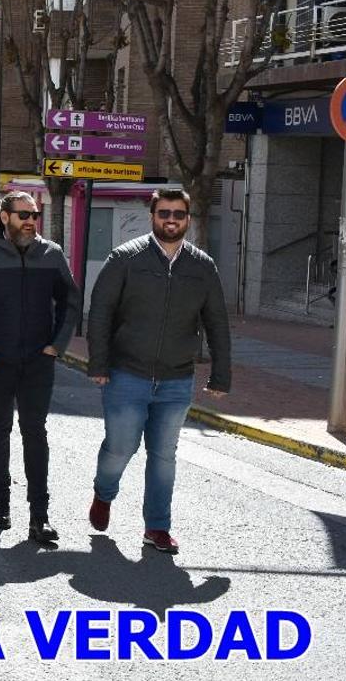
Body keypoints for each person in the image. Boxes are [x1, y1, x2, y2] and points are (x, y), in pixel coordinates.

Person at [86, 189, 232, 555]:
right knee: (120, 448)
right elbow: (100, 311)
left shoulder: (202, 266)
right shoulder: (125, 258)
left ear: (187, 219)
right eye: (164, 212)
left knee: (164, 455)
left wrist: (221, 374)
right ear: (152, 215)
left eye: (178, 214)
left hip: (176, 379)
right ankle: (104, 493)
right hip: (126, 374)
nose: (171, 219)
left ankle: (157, 527)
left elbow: (217, 322)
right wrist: (99, 364)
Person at [0, 191, 81, 544]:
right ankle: (1, 504)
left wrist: (56, 345)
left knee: (35, 432)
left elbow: (70, 301)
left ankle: (40, 516)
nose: (30, 221)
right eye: (23, 214)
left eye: (34, 215)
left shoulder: (51, 254)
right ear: (4, 216)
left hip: (39, 360)